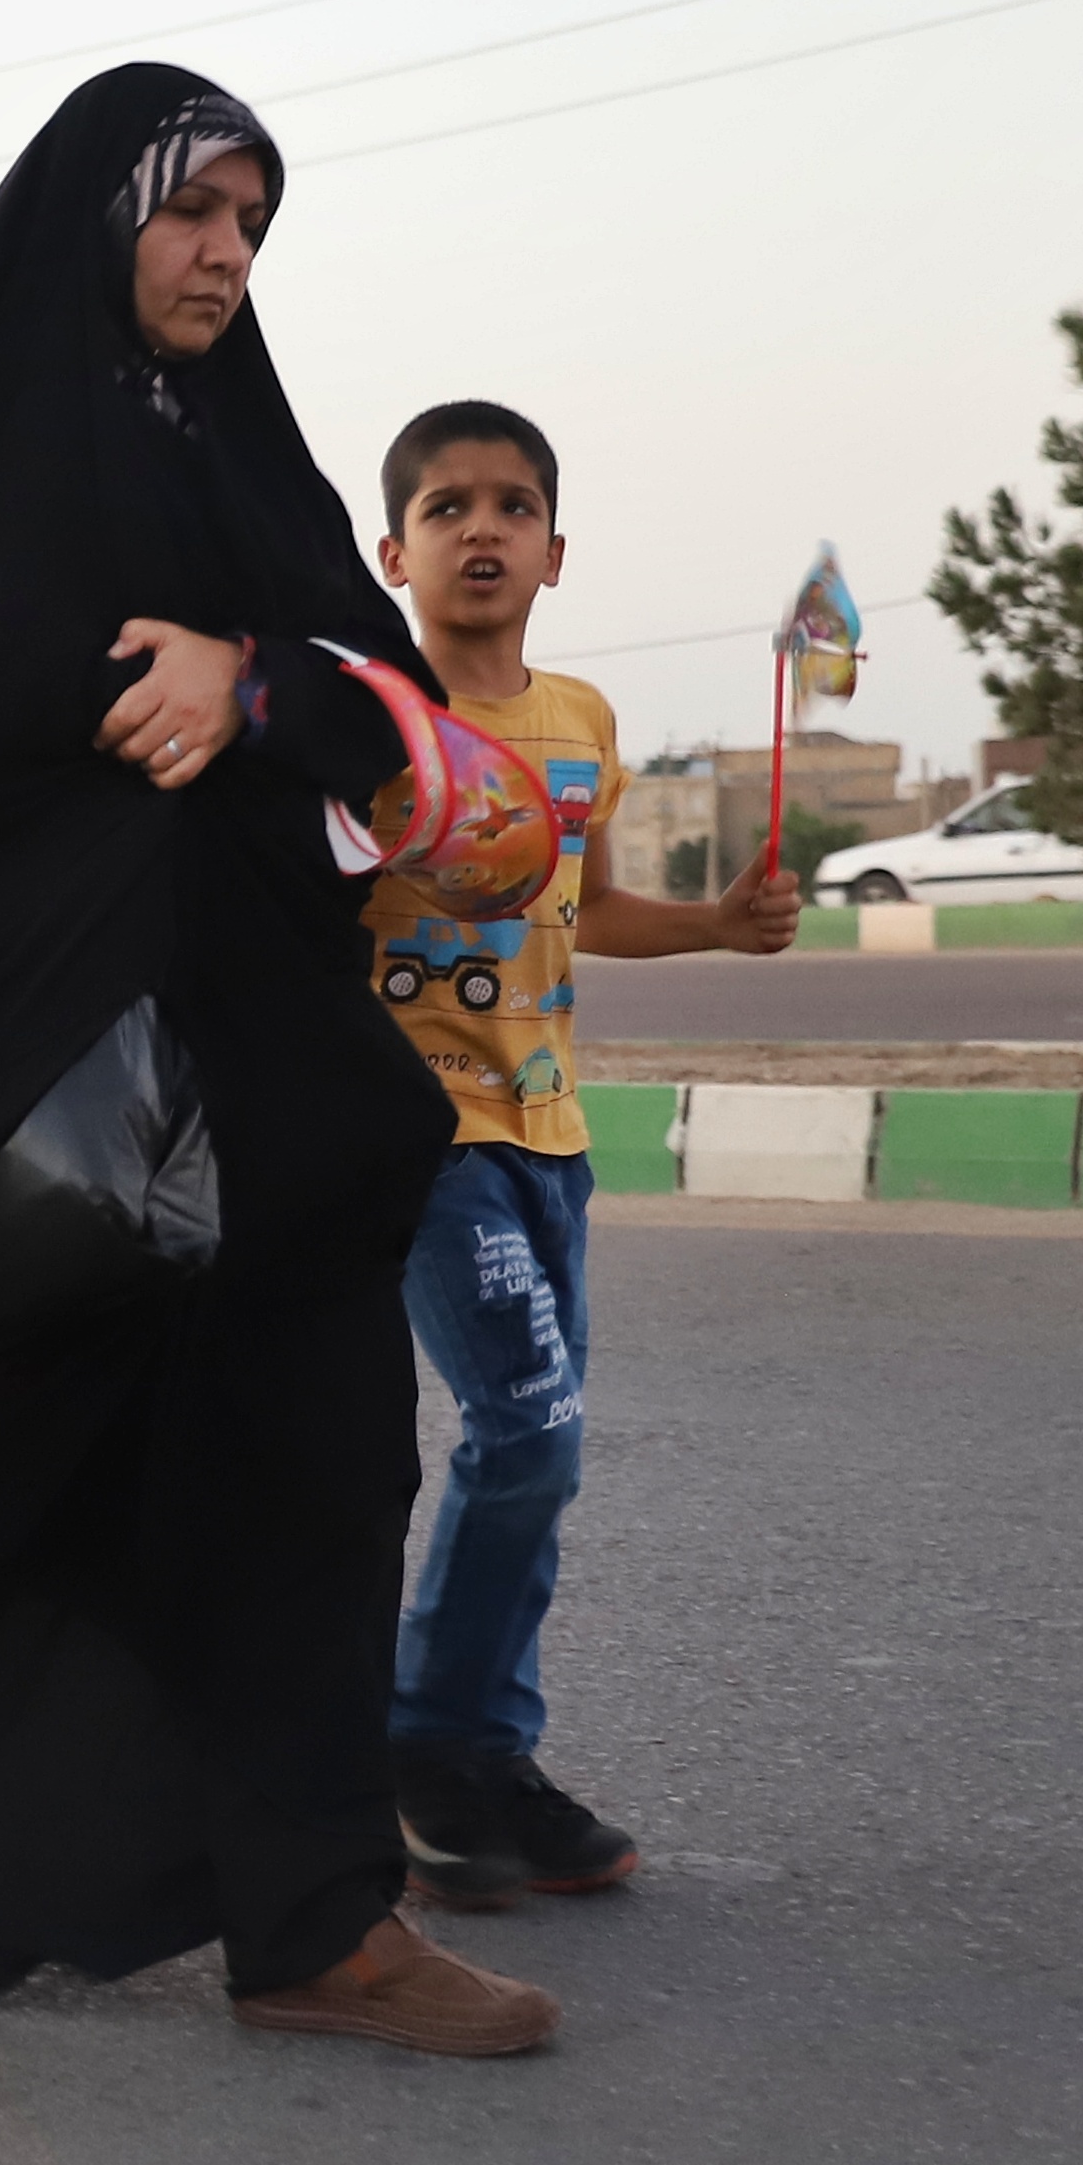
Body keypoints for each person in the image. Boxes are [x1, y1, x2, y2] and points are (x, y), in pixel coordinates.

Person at [0, 66, 557, 2057]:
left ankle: (318, 1924)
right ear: (90, 215)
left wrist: (255, 685)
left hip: (257, 1061)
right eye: (188, 213)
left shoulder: (236, 451)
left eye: (249, 223)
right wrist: (119, 692)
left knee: (322, 1457)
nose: (223, 254)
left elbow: (359, 681)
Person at [357, 399, 798, 1913]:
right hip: (423, 1125)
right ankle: (426, 1748)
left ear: (555, 548)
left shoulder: (585, 720)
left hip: (551, 1125)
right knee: (528, 1428)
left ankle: (489, 1757)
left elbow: (586, 905)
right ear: (392, 546)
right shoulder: (370, 708)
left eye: (514, 505)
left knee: (535, 1451)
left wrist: (721, 927)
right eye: (448, 506)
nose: (482, 527)